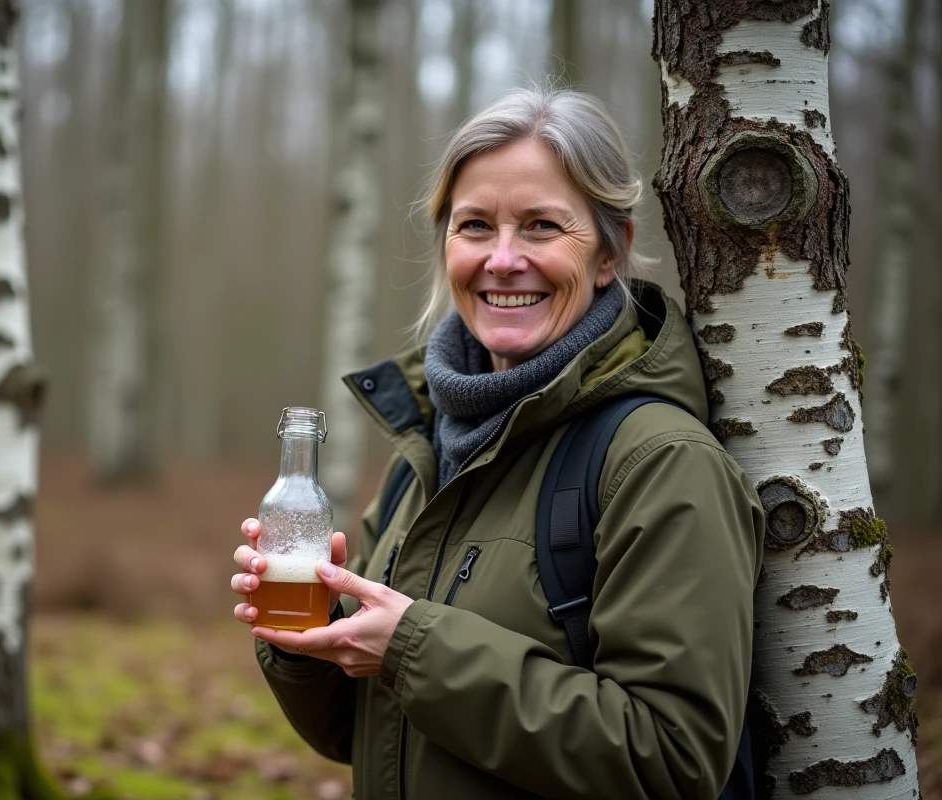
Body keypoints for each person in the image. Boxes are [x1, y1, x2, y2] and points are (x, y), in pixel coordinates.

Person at [230, 87, 765, 800]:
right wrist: (313, 636)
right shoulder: (425, 447)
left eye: (542, 226)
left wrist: (414, 648)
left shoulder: (660, 462)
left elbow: (671, 758)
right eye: (475, 225)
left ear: (611, 253)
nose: (503, 259)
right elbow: (355, 734)